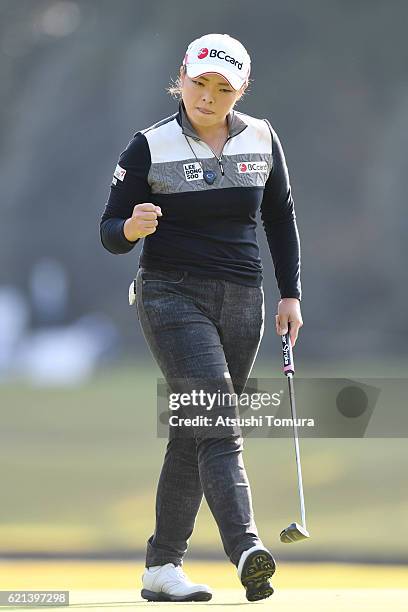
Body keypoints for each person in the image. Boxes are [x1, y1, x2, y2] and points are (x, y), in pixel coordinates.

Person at [100, 33, 303, 603]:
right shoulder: (149, 145)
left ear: (239, 92)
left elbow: (280, 219)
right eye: (199, 84)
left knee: (194, 431)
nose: (208, 98)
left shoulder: (262, 138)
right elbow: (110, 230)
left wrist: (291, 296)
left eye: (222, 89)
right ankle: (246, 549)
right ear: (182, 77)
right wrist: (131, 229)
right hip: (170, 295)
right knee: (218, 420)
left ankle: (162, 567)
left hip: (245, 298)